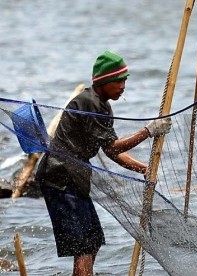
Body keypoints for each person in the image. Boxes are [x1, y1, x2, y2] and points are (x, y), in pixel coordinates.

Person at [35, 51, 170, 276]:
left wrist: (143, 169)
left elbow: (110, 150)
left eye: (125, 80)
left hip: (71, 178)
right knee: (84, 244)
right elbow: (116, 147)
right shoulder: (89, 102)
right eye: (119, 80)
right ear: (104, 81)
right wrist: (148, 131)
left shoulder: (102, 106)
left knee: (92, 240)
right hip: (61, 177)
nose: (123, 85)